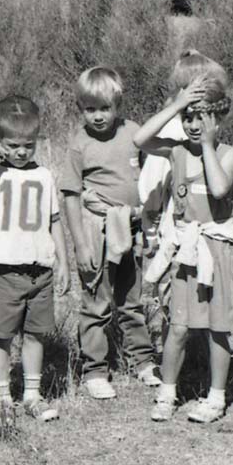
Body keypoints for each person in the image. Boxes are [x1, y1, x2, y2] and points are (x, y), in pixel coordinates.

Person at [135, 70, 233, 424]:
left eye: (203, 116)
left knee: (218, 327)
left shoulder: (228, 153)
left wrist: (209, 146)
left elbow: (217, 189)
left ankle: (216, 397)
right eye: (189, 117)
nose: (194, 124)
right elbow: (141, 138)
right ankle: (167, 392)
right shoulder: (176, 152)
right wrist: (177, 104)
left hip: (216, 248)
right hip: (185, 249)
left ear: (219, 117)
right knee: (179, 326)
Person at [0, 95, 70, 426]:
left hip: (40, 271)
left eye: (29, 144)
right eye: (13, 145)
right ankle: (1, 399)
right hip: (5, 272)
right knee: (2, 336)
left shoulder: (44, 176)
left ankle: (32, 396)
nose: (22, 152)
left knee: (36, 334)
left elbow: (54, 221)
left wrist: (63, 262)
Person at [59, 66, 159, 400]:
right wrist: (81, 244)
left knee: (131, 299)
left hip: (130, 225)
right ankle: (95, 369)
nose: (98, 116)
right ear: (80, 108)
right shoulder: (79, 146)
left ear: (118, 104)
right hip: (96, 228)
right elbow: (71, 196)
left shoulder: (134, 133)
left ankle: (142, 361)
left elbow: (150, 173)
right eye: (90, 109)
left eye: (105, 108)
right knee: (96, 301)